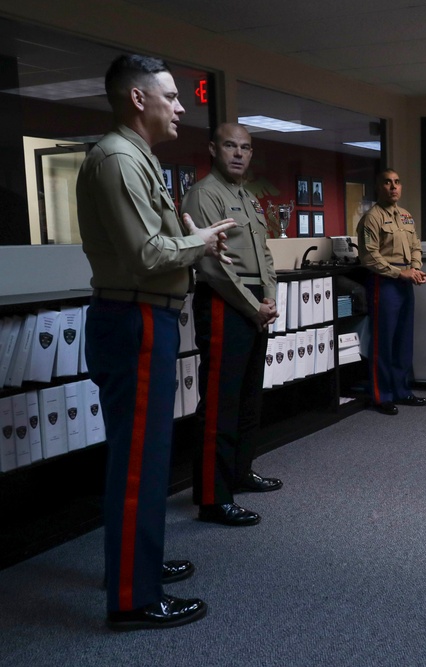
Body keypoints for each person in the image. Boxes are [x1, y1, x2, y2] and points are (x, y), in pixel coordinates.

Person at [77, 54, 236, 630]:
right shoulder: (119, 159)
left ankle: (133, 566)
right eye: (170, 96)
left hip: (145, 317)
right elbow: (146, 257)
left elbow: (154, 242)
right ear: (138, 99)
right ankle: (133, 597)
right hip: (137, 317)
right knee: (140, 463)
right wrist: (201, 243)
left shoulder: (136, 157)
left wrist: (190, 239)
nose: (181, 106)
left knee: (141, 457)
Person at [182, 122, 282, 528]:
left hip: (255, 302)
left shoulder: (247, 197)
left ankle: (239, 473)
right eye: (229, 146)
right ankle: (212, 498)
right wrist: (254, 305)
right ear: (213, 149)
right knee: (221, 404)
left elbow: (266, 254)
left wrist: (270, 296)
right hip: (226, 303)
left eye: (245, 147)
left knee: (247, 399)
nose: (238, 153)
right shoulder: (204, 194)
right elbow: (212, 266)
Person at [358, 169, 426, 415]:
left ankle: (401, 390)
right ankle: (382, 395)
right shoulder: (372, 218)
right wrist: (401, 273)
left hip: (406, 280)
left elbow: (416, 246)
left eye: (397, 182)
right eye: (387, 183)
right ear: (379, 187)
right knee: (383, 341)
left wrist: (416, 269)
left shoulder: (406, 216)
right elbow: (369, 256)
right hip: (385, 282)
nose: (393, 187)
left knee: (403, 339)